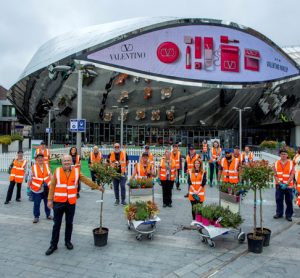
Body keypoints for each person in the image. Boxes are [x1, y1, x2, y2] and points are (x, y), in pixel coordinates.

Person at [45, 154, 104, 256]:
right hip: (58, 202)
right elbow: (52, 186)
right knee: (56, 225)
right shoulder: (57, 171)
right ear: (61, 162)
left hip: (71, 203)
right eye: (65, 161)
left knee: (69, 223)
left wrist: (97, 187)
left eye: (68, 160)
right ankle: (53, 244)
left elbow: (86, 180)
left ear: (71, 162)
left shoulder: (76, 172)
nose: (67, 162)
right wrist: (49, 200)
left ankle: (68, 241)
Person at [28, 153, 52, 223]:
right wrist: (28, 188)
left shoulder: (47, 166)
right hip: (36, 189)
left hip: (46, 187)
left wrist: (53, 185)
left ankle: (48, 215)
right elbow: (30, 178)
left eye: (41, 158)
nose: (40, 159)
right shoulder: (33, 167)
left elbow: (50, 175)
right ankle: (36, 216)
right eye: (38, 158)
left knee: (47, 202)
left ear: (43, 159)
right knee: (36, 203)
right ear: (36, 159)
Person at [273, 149, 295, 222]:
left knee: (289, 201)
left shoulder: (291, 163)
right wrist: (279, 183)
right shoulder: (276, 163)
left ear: (287, 155)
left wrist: (286, 183)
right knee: (279, 200)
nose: (283, 155)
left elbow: (292, 174)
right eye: (282, 154)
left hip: (288, 186)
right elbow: (275, 175)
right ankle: (279, 213)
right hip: (279, 185)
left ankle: (288, 215)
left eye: (285, 154)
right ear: (280, 155)